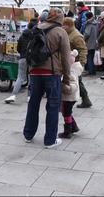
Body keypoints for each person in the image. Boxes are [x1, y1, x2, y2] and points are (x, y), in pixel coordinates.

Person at [23, 8, 71, 149]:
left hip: (35, 71)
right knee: (53, 105)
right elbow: (66, 58)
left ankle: (28, 135)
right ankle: (50, 140)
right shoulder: (60, 32)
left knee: (33, 103)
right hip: (51, 72)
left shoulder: (36, 28)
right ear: (60, 18)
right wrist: (66, 78)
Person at [5, 18, 37, 103]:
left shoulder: (23, 35)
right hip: (32, 59)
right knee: (31, 78)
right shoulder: (36, 36)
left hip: (22, 58)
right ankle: (29, 97)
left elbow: (18, 48)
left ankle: (13, 95)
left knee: (20, 77)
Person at [63, 18, 92, 108]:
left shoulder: (76, 36)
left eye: (63, 25)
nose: (62, 27)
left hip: (75, 63)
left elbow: (83, 50)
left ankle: (85, 99)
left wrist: (82, 63)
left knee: (78, 82)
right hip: (71, 62)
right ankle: (84, 99)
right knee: (77, 81)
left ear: (68, 25)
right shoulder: (69, 33)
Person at [59, 49, 83, 138]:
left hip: (69, 96)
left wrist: (65, 87)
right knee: (66, 112)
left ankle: (67, 131)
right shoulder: (73, 68)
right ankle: (74, 127)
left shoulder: (71, 71)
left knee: (66, 113)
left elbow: (73, 85)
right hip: (70, 96)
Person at [83, 12, 98, 76]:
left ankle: (90, 71)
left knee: (89, 57)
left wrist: (83, 38)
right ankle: (93, 70)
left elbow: (87, 34)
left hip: (89, 43)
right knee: (91, 57)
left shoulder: (89, 24)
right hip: (94, 42)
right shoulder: (95, 23)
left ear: (87, 17)